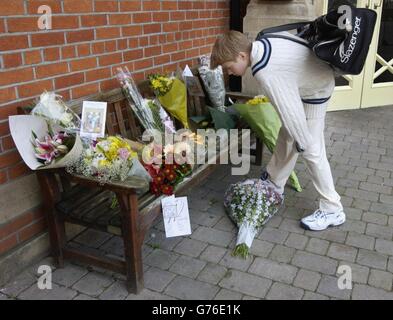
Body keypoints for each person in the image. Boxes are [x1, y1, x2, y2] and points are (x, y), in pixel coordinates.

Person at [210, 30, 345, 231]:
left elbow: (290, 112)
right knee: (287, 135)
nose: (229, 72)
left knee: (311, 150)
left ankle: (332, 209)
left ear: (241, 56)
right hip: (315, 81)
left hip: (316, 89)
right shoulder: (263, 42)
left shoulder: (265, 70)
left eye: (228, 67)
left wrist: (302, 142)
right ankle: (274, 182)